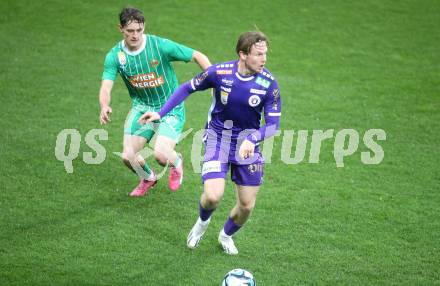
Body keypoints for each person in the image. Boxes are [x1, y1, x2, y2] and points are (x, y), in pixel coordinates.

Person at [139, 31, 282, 255]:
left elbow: (273, 124)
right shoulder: (220, 73)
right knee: (213, 196)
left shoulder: (269, 84)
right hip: (218, 140)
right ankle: (202, 223)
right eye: (258, 54)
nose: (264, 59)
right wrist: (160, 113)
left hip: (247, 147)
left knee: (246, 206)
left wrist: (253, 139)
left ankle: (226, 235)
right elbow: (187, 87)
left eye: (265, 54)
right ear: (242, 54)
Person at [99, 7, 211, 196]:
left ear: (144, 27)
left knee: (161, 155)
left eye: (139, 30)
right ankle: (148, 178)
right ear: (121, 29)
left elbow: (197, 56)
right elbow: (106, 85)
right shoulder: (115, 56)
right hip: (142, 108)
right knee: (128, 157)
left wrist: (214, 81)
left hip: (170, 107)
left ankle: (177, 162)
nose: (135, 35)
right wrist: (104, 105)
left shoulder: (159, 46)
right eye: (130, 31)